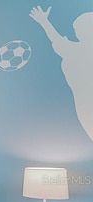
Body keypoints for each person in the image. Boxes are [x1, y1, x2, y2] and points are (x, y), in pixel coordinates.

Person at [30, 6, 93, 141]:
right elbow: (57, 40)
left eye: (82, 29)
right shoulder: (75, 50)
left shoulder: (76, 51)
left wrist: (44, 22)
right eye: (77, 30)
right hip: (85, 104)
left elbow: (57, 41)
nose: (78, 33)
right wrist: (44, 22)